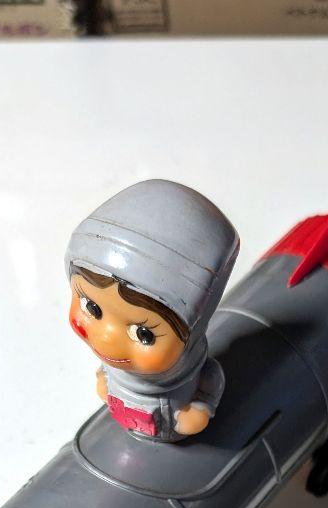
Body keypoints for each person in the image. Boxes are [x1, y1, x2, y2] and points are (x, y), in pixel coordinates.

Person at [66, 179, 239, 442]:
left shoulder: (189, 368)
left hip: (170, 428)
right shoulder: (118, 363)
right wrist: (104, 378)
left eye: (144, 333)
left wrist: (202, 407)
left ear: (192, 328)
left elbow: (211, 377)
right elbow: (108, 370)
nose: (107, 338)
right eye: (92, 307)